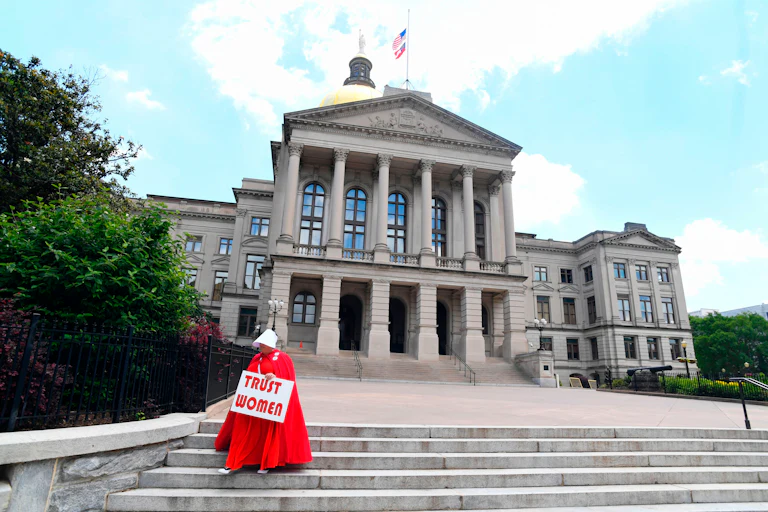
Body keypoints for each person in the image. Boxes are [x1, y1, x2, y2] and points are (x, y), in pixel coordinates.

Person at [214, 329, 312, 474]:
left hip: (268, 406)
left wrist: (275, 377)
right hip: (253, 404)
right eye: (260, 344)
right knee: (243, 431)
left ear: (271, 344)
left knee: (267, 434)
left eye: (264, 344)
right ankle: (232, 463)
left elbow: (287, 381)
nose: (261, 346)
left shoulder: (283, 359)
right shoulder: (256, 358)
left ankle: (265, 463)